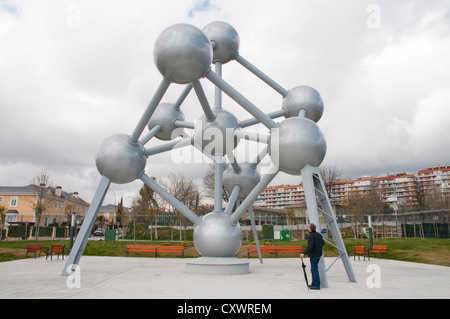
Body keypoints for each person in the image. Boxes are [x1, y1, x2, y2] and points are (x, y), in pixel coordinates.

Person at [300, 223, 325, 290]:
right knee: (314, 269)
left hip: (314, 255)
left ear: (310, 228)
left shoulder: (311, 236)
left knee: (314, 270)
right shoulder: (319, 235)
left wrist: (303, 253)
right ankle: (314, 283)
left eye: (309, 227)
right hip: (319, 254)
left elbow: (310, 246)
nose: (308, 228)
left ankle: (316, 285)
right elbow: (323, 243)